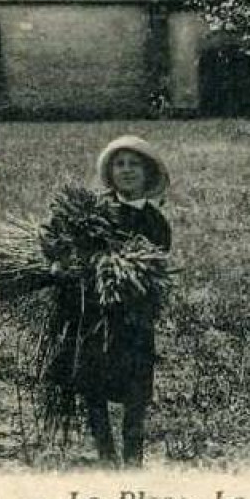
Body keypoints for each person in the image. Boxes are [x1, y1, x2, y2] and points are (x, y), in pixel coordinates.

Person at [82, 135, 173, 466]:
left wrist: (128, 268)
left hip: (135, 317)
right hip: (97, 316)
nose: (127, 170)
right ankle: (105, 454)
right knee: (94, 385)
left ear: (147, 173)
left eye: (134, 164)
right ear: (110, 172)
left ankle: (133, 455)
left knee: (135, 390)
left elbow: (156, 259)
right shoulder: (97, 212)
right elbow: (81, 250)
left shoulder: (154, 221)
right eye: (119, 164)